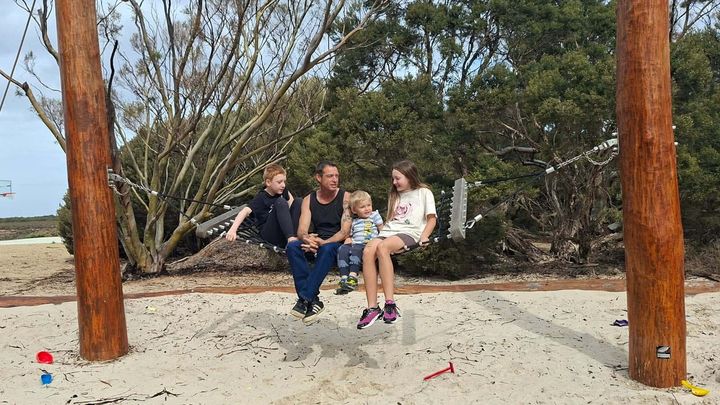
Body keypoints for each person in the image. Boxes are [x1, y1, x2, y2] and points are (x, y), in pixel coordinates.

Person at [357, 160, 436, 329]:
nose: (394, 182)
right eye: (393, 179)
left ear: (409, 176)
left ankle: (390, 304)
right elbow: (391, 221)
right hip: (389, 232)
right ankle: (372, 307)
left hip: (410, 232)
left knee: (382, 247)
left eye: (397, 178)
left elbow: (431, 219)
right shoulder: (395, 195)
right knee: (368, 251)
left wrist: (425, 236)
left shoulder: (424, 192)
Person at [286, 161, 351, 324]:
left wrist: (323, 243)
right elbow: (301, 230)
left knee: (328, 249)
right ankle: (313, 301)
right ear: (319, 178)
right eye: (330, 176)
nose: (335, 179)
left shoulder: (346, 198)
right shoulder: (309, 199)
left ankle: (304, 298)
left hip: (337, 243)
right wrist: (308, 239)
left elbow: (344, 232)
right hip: (318, 241)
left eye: (336, 176)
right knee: (293, 246)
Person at [225, 164, 301, 248]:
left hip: (283, 230)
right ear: (268, 182)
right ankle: (290, 239)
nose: (283, 185)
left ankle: (296, 235)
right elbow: (245, 211)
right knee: (281, 202)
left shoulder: (282, 190)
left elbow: (292, 204)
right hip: (269, 234)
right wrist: (233, 230)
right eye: (279, 182)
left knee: (298, 201)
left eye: (284, 181)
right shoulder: (261, 197)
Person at [335, 190, 384, 295]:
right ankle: (344, 277)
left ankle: (353, 276)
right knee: (342, 249)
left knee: (356, 249)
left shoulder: (374, 216)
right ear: (354, 210)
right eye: (362, 207)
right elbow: (351, 235)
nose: (367, 209)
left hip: (369, 244)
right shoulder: (354, 221)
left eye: (369, 205)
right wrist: (348, 239)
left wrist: (383, 241)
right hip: (356, 243)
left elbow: (382, 228)